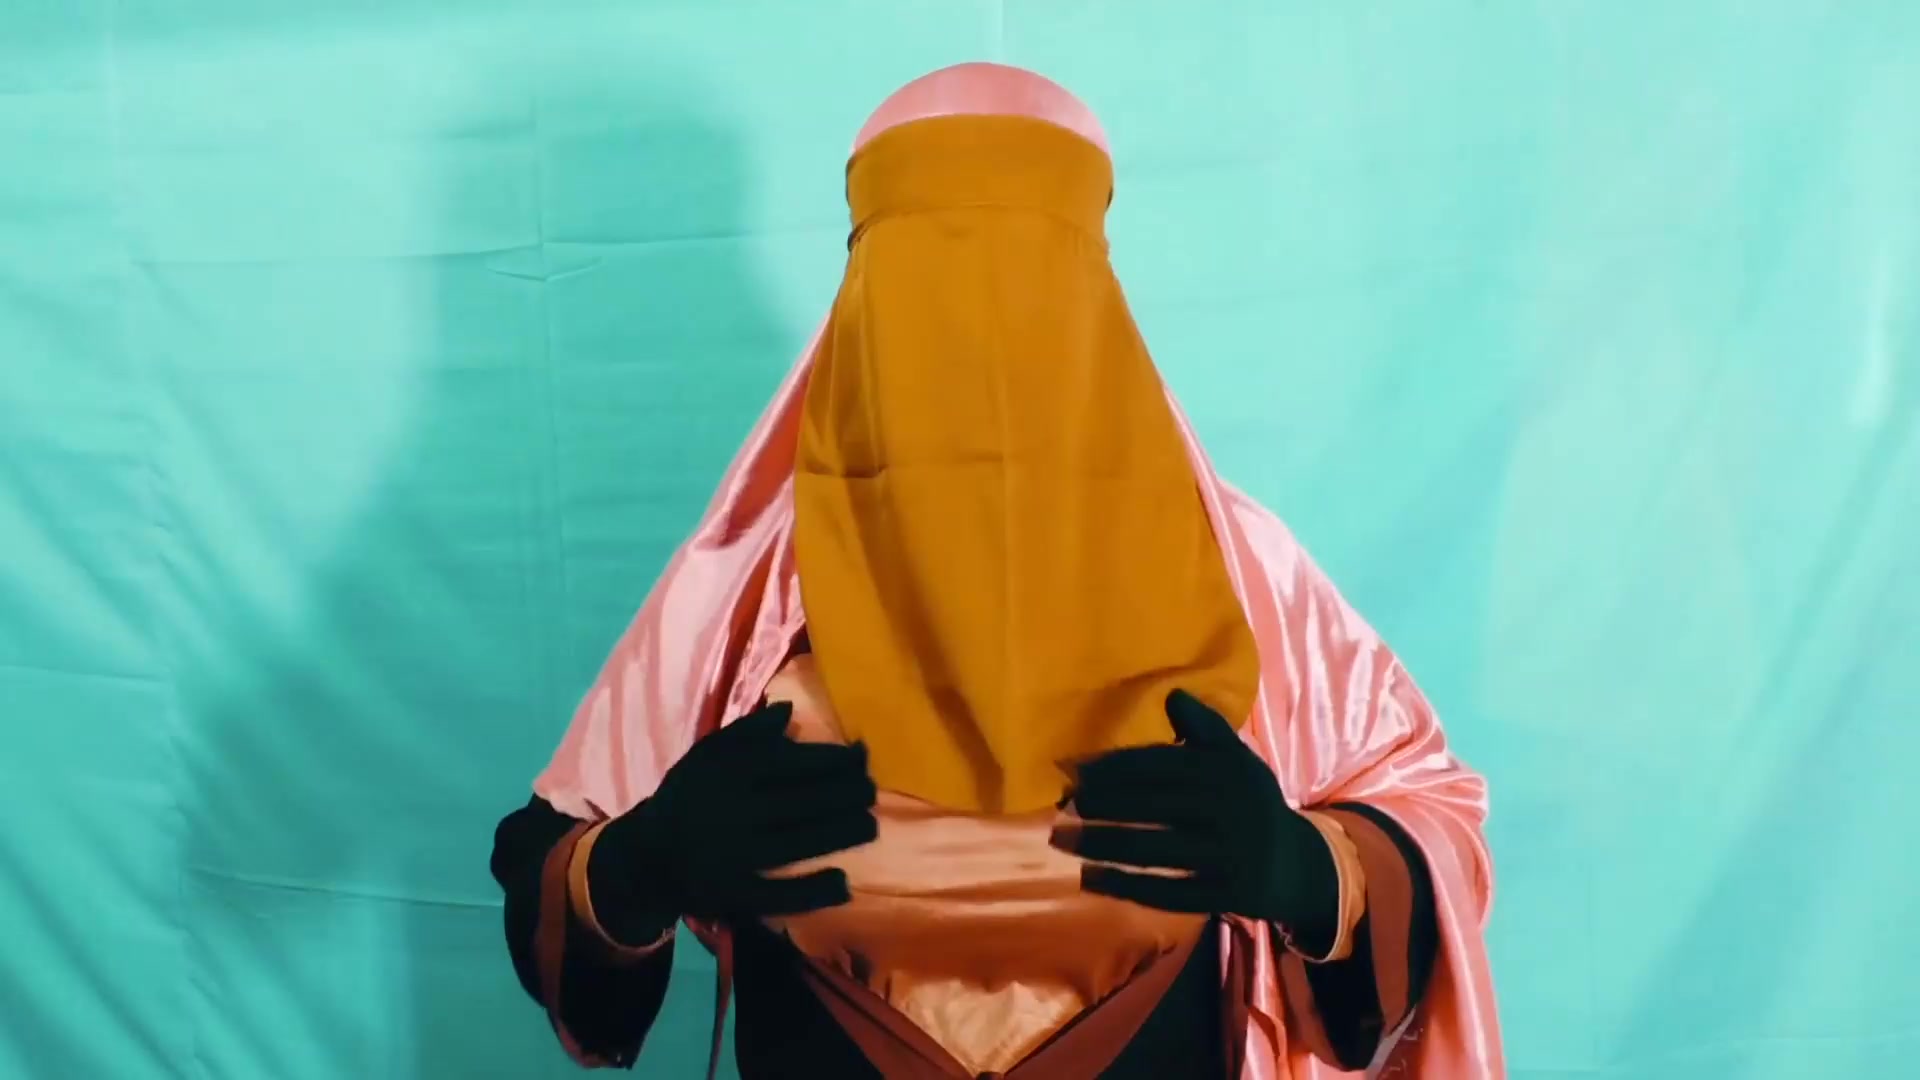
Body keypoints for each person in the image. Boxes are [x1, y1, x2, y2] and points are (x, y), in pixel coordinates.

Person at [490, 62, 1504, 1079]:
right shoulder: (749, 584)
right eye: (927, 277)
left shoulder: (1235, 569)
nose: (978, 328)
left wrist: (1309, 873)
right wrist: (640, 867)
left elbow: (1430, 811)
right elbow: (562, 865)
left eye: (1031, 274)